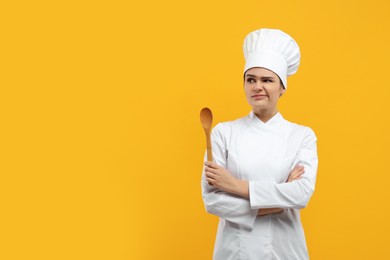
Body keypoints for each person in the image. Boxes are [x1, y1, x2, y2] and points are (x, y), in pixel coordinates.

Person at [201, 28, 319, 260]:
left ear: (282, 87)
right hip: (235, 251)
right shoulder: (223, 133)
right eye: (250, 79)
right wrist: (277, 204)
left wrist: (234, 185)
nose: (257, 86)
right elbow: (212, 200)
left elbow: (301, 194)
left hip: (285, 250)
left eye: (267, 80)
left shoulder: (301, 135)